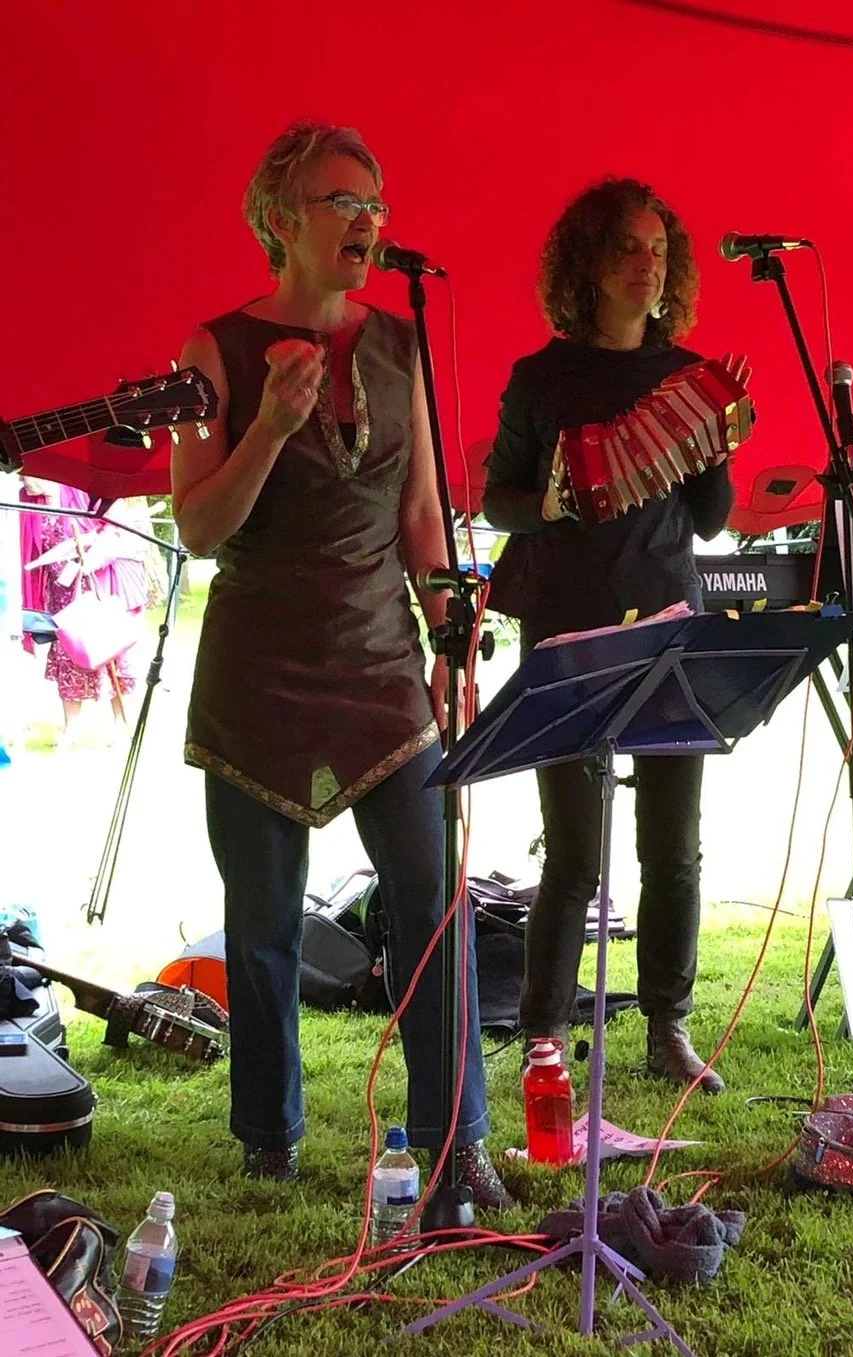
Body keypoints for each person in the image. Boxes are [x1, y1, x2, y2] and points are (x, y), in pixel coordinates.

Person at [171, 120, 511, 1204]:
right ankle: (269, 1136)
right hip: (256, 672)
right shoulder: (213, 349)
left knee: (432, 902)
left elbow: (421, 518)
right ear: (280, 221)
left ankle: (456, 1139)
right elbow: (199, 527)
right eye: (341, 201)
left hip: (382, 669)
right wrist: (268, 426)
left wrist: (453, 630)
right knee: (265, 922)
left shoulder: (402, 342)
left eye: (376, 204)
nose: (367, 220)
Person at [483, 177, 751, 1093]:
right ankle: (545, 1034)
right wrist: (550, 501)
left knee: (673, 843)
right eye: (628, 249)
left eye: (659, 251)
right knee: (573, 848)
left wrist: (713, 443)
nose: (648, 265)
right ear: (588, 267)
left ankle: (666, 1025)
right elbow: (495, 500)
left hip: (670, 626)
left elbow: (712, 519)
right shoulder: (540, 377)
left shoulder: (687, 376)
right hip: (567, 631)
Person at [19, 477, 146, 745]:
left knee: (111, 652)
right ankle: (71, 728)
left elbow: (121, 530)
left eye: (25, 472)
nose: (22, 479)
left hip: (99, 586)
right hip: (61, 593)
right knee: (67, 655)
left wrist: (94, 556)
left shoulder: (88, 490)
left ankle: (121, 724)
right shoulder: (29, 499)